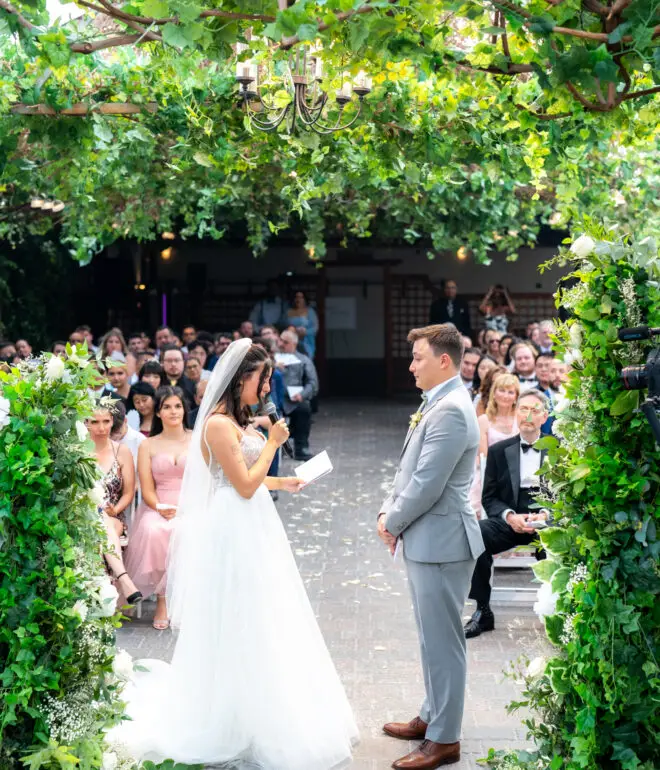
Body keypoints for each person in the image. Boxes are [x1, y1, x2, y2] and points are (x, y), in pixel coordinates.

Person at [111, 339, 358, 768]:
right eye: (261, 380)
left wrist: (285, 482)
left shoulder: (235, 421)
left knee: (264, 612)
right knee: (241, 612)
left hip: (253, 520)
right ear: (242, 377)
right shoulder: (217, 425)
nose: (264, 389)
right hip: (234, 525)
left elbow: (250, 480)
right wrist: (273, 443)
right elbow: (242, 485)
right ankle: (229, 715)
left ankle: (262, 705)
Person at [377, 324, 484, 770]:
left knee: (444, 643)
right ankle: (431, 714)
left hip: (443, 541)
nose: (410, 365)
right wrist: (388, 511)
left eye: (418, 357)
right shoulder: (437, 403)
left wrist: (392, 521)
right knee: (430, 639)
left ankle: (445, 739)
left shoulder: (453, 410)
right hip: (427, 539)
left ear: (444, 361)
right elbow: (408, 469)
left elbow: (427, 484)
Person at [464, 390, 550, 639]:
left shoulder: (558, 450)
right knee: (476, 533)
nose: (528, 415)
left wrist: (544, 515)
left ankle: (558, 611)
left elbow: (566, 498)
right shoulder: (500, 450)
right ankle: (482, 610)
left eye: (535, 410)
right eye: (523, 409)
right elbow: (489, 497)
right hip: (509, 520)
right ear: (516, 413)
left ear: (544, 417)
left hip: (545, 522)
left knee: (563, 544)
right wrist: (510, 516)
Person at [125, 387, 192, 630]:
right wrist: (160, 507)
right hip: (157, 504)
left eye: (177, 406)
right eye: (167, 407)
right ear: (159, 412)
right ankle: (162, 600)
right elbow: (146, 486)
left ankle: (186, 599)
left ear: (184, 410)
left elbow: (206, 480)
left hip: (191, 504)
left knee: (186, 530)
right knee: (154, 530)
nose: (173, 411)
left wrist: (187, 506)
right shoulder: (148, 445)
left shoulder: (198, 440)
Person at [88, 405, 141, 606]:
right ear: (86, 423)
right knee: (100, 525)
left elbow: (129, 492)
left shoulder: (122, 451)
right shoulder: (77, 451)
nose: (101, 427)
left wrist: (116, 509)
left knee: (106, 523)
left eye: (106, 421)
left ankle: (110, 592)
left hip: (113, 515)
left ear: (113, 422)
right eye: (95, 422)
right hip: (83, 516)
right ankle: (125, 580)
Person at [470, 373, 520, 517]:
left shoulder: (520, 419)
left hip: (516, 474)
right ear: (494, 393)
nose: (505, 395)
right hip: (488, 475)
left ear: (516, 397)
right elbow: (483, 456)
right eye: (502, 390)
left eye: (510, 392)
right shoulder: (484, 420)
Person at [278, 330, 319, 461]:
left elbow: (313, 382)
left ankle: (301, 448)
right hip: (274, 398)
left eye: (285, 342)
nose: (281, 344)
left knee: (304, 409)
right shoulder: (273, 358)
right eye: (280, 340)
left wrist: (302, 394)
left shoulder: (303, 360)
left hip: (293, 399)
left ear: (294, 344)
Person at [110, 399, 145, 470]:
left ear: (125, 420)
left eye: (117, 432)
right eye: (110, 434)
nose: (114, 437)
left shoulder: (140, 441)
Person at [284, 290, 319, 359]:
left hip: (306, 342)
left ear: (305, 299)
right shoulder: (288, 311)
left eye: (301, 297)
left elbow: (315, 328)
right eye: (296, 297)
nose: (298, 300)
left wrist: (305, 332)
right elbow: (282, 325)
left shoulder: (310, 311)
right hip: (291, 341)